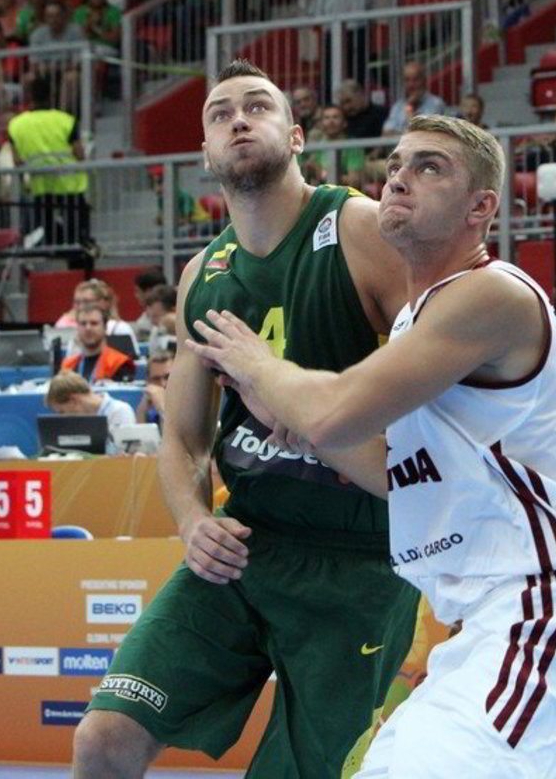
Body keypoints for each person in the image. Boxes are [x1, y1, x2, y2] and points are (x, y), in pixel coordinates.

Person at [188, 113, 556, 776]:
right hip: (489, 621)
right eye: (397, 163)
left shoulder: (491, 294)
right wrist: (296, 421)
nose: (399, 177)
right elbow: (394, 470)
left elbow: (337, 413)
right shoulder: (414, 320)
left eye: (430, 167)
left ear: (481, 208)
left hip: (551, 608)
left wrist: (261, 367)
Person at [72, 60, 421, 778]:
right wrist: (192, 521)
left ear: (295, 135)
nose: (238, 118)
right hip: (246, 547)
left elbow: (434, 393)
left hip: (361, 557)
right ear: (205, 153)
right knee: (103, 741)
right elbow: (184, 436)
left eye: (258, 106)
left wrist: (304, 405)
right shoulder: (202, 274)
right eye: (220, 112)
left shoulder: (357, 228)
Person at [8, 75, 89, 255]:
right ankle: (76, 258)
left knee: (46, 230)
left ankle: (53, 256)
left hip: (40, 186)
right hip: (70, 185)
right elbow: (79, 154)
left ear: (29, 96)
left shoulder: (16, 125)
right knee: (77, 231)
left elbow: (17, 161)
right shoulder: (65, 120)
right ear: (51, 96)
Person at [43, 371, 136, 452]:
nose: (62, 417)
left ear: (74, 400)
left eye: (62, 412)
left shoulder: (119, 411)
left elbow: (123, 455)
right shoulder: (80, 420)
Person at [62, 303, 136, 383]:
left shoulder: (120, 364)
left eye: (94, 323)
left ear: (105, 327)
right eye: (83, 324)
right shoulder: (68, 366)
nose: (88, 328)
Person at [381, 60, 445, 136]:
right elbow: (386, 133)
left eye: (415, 80)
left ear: (424, 80)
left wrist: (410, 105)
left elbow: (422, 134)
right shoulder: (397, 106)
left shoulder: (435, 104)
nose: (411, 84)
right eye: (407, 80)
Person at [136, 343, 173, 426]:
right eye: (156, 379)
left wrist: (162, 408)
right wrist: (142, 412)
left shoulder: (190, 406)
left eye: (167, 377)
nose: (163, 384)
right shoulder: (149, 409)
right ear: (148, 381)